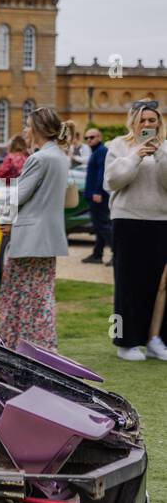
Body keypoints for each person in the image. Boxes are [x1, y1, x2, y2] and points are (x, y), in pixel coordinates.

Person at [0, 107, 75, 352]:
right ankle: (40, 347)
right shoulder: (61, 156)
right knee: (40, 295)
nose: (25, 131)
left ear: (39, 128)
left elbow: (17, 196)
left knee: (20, 295)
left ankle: (23, 347)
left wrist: (5, 218)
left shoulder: (39, 158)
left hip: (30, 236)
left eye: (28, 125)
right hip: (49, 236)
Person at [106, 99, 167, 361]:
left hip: (161, 221)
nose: (147, 124)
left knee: (160, 284)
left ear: (159, 123)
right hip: (127, 219)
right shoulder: (119, 145)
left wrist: (159, 154)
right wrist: (136, 156)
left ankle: (155, 338)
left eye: (152, 120)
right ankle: (126, 341)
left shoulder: (165, 148)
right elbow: (112, 181)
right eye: (142, 119)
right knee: (128, 283)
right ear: (134, 121)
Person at [81, 128, 113, 264]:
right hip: (95, 194)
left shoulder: (101, 152)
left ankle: (117, 253)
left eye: (92, 137)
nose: (89, 140)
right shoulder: (96, 152)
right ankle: (97, 254)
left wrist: (98, 192)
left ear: (99, 137)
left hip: (98, 195)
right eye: (86, 138)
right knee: (99, 226)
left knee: (103, 225)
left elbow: (103, 173)